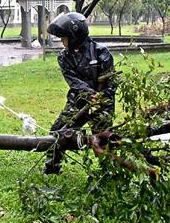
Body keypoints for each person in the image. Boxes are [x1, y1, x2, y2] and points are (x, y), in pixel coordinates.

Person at [43, 12, 118, 175]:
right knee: (57, 132)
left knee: (104, 140)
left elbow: (112, 82)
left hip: (102, 104)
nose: (62, 42)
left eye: (64, 38)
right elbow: (73, 81)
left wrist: (101, 96)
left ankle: (110, 171)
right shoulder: (63, 57)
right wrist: (89, 93)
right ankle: (52, 165)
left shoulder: (101, 52)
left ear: (75, 35)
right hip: (78, 101)